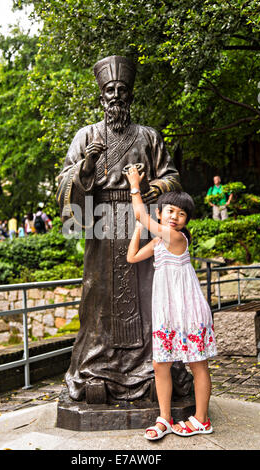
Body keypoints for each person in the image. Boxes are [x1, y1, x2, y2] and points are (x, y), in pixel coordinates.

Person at [56, 55, 185, 404]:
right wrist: (87, 165)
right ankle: (97, 369)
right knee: (96, 295)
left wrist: (150, 189)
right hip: (101, 226)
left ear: (129, 96)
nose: (115, 95)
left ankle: (151, 368)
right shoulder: (86, 136)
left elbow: (171, 176)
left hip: (140, 222)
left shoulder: (148, 136)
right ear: (101, 97)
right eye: (109, 90)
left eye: (121, 90)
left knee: (147, 294)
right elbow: (64, 182)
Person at [126, 165, 217, 440]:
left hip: (188, 310)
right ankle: (165, 417)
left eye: (182, 214)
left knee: (197, 364)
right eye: (170, 211)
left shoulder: (176, 237)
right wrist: (140, 227)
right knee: (160, 364)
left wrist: (134, 185)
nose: (176, 217)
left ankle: (202, 419)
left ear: (186, 220)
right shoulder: (159, 240)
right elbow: (132, 257)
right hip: (167, 311)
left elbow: (139, 211)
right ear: (160, 213)